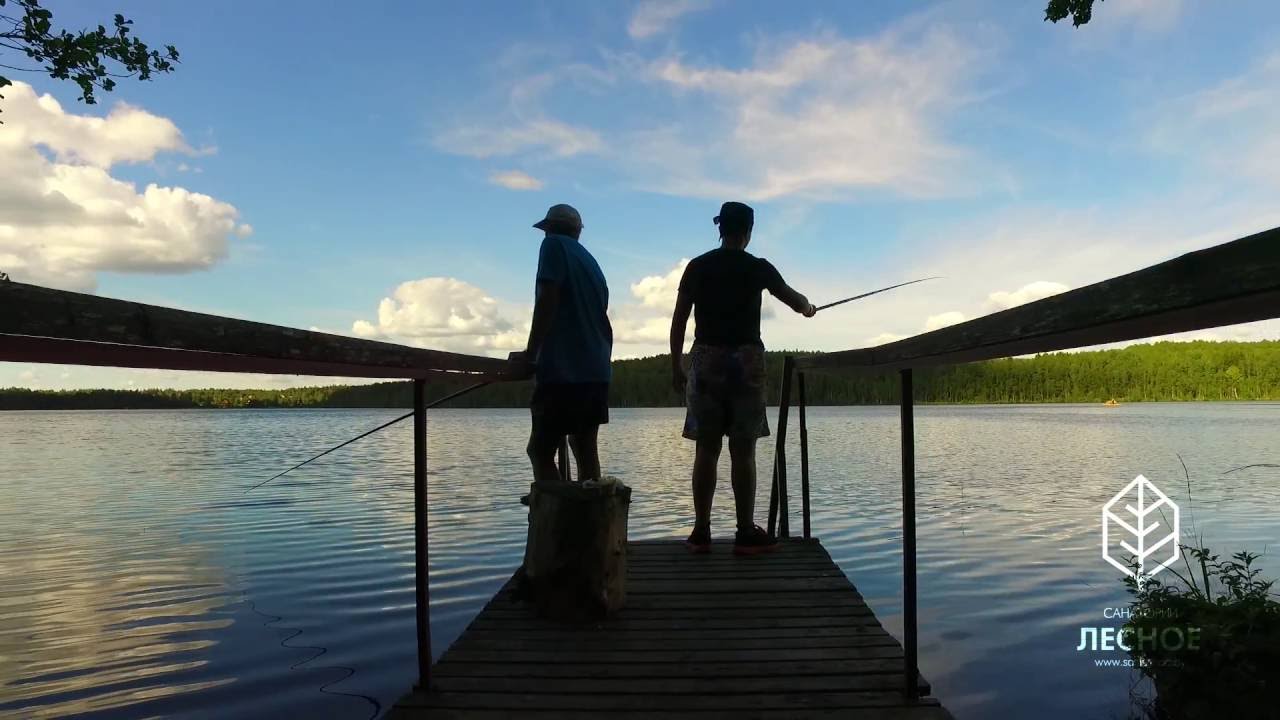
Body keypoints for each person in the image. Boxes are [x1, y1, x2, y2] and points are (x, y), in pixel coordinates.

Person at [669, 201, 816, 555]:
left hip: (705, 360)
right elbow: (795, 302)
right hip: (746, 363)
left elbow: (678, 321)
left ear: (721, 229)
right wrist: (809, 307)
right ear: (748, 232)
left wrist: (677, 365)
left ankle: (701, 531)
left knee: (706, 448)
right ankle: (745, 530)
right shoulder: (758, 268)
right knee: (743, 449)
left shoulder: (697, 267)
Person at [508, 203, 613, 488]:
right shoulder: (591, 262)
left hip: (563, 371)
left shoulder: (553, 246)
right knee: (585, 449)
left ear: (549, 229)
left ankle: (560, 524)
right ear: (578, 231)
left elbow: (547, 299)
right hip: (596, 367)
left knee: (540, 451)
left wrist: (531, 355)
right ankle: (590, 524)